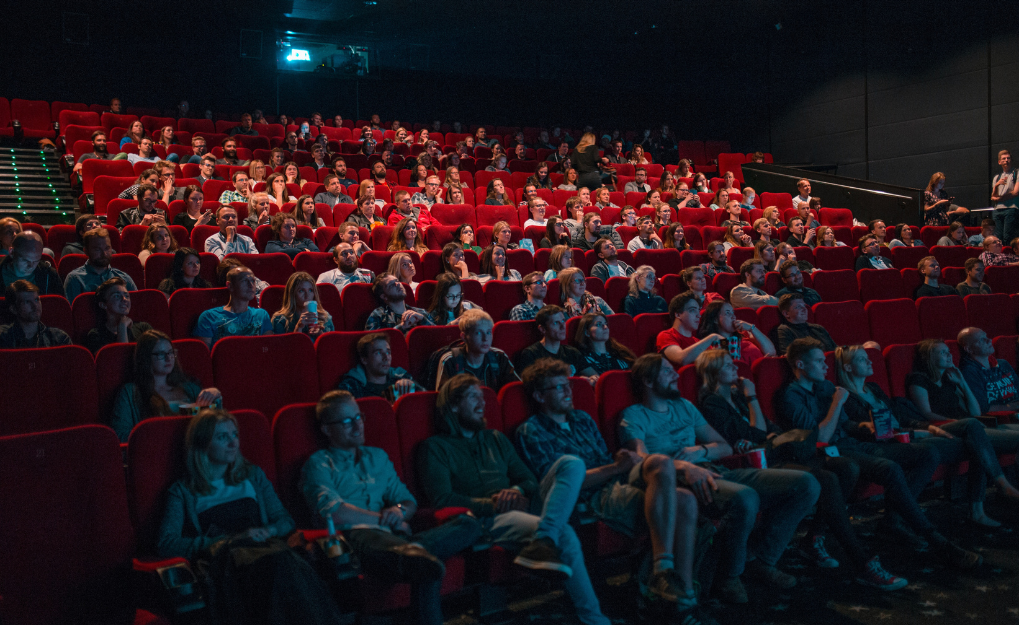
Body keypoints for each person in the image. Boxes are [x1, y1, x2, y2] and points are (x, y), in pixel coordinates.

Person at [515, 360, 714, 620]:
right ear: (540, 396)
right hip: (591, 496)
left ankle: (673, 584)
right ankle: (680, 601)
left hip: (615, 479)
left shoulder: (582, 419)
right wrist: (616, 468)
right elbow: (559, 485)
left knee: (662, 464)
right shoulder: (531, 431)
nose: (568, 392)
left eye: (568, 385)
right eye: (559, 387)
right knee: (684, 502)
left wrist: (620, 463)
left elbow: (605, 460)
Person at [695, 349, 908, 590]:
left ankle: (814, 538)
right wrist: (753, 399)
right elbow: (755, 434)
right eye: (727, 365)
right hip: (764, 462)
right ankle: (862, 561)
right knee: (826, 480)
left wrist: (763, 426)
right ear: (712, 373)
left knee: (846, 468)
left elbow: (768, 428)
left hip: (781, 452)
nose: (735, 367)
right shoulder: (713, 402)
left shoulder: (739, 395)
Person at [617, 354, 820, 602]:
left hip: (714, 468)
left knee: (806, 484)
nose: (676, 375)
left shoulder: (685, 406)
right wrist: (684, 467)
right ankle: (730, 577)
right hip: (680, 481)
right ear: (648, 381)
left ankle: (761, 558)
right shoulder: (634, 415)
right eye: (668, 371)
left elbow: (724, 447)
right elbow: (642, 461)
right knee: (745, 498)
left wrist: (699, 450)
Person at [417, 375, 612, 625]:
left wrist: (517, 490)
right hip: (488, 519)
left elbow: (530, 480)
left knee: (572, 464)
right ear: (453, 405)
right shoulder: (435, 447)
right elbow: (443, 499)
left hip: (524, 505)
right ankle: (593, 619)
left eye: (483, 397)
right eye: (473, 397)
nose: (482, 403)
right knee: (564, 534)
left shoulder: (495, 438)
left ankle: (544, 538)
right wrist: (494, 503)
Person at [776, 338, 982, 569]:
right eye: (818, 361)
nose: (826, 366)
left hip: (852, 443)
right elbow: (821, 437)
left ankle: (893, 521)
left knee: (926, 453)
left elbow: (845, 426)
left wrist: (865, 427)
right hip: (828, 453)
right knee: (890, 469)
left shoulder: (824, 387)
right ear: (800, 365)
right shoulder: (791, 396)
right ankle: (937, 541)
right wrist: (836, 403)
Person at [301, 391, 481, 625]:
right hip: (356, 540)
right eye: (346, 421)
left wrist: (398, 512)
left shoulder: (378, 457)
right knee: (421, 562)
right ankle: (417, 554)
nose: (357, 426)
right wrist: (382, 519)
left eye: (359, 417)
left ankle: (416, 552)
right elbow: (332, 512)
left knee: (469, 523)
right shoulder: (319, 464)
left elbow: (407, 501)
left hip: (395, 537)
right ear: (327, 429)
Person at [158, 409, 346, 625]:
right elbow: (167, 543)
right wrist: (225, 540)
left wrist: (269, 530)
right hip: (228, 561)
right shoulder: (182, 491)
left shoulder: (252, 476)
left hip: (268, 549)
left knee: (283, 564)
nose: (233, 443)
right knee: (281, 567)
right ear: (202, 444)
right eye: (222, 437)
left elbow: (284, 521)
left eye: (234, 434)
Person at [839, 343, 1019, 528]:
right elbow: (874, 432)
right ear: (847, 367)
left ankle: (990, 497)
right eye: (862, 359)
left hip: (919, 431)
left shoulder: (874, 389)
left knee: (974, 431)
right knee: (977, 440)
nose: (869, 361)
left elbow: (902, 418)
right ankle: (985, 502)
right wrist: (918, 431)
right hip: (901, 440)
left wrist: (930, 428)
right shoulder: (846, 398)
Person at [109, 330, 222, 441]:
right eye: (161, 354)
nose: (168, 358)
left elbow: (215, 426)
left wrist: (215, 397)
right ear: (146, 358)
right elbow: (120, 435)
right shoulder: (130, 392)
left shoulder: (190, 388)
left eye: (170, 352)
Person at [435, 309, 519, 391]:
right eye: (478, 333)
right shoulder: (450, 361)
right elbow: (443, 400)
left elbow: (515, 390)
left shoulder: (499, 357)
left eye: (488, 332)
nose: (485, 338)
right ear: (464, 337)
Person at [194, 266, 273, 347]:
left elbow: (269, 351)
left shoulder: (262, 315)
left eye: (253, 281)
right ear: (230, 285)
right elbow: (204, 356)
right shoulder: (209, 317)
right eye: (245, 281)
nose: (251, 285)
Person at [774, 293, 879, 354]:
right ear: (786, 313)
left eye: (804, 305)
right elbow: (788, 356)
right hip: (814, 369)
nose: (804, 309)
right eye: (798, 307)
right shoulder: (784, 330)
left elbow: (835, 349)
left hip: (835, 363)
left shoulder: (817, 328)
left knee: (872, 346)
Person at [337, 333, 420, 401]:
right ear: (364, 360)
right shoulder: (352, 387)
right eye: (378, 353)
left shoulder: (402, 378)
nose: (386, 358)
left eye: (388, 352)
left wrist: (412, 387)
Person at [64, 228, 138, 303]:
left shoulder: (124, 278)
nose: (104, 254)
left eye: (107, 248)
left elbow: (136, 308)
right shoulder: (75, 278)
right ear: (86, 251)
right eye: (97, 250)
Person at [514, 305, 590, 377]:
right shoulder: (531, 354)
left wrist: (591, 379)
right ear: (542, 329)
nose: (562, 326)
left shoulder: (572, 352)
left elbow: (594, 376)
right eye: (556, 323)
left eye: (563, 321)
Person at [84, 277, 152, 353]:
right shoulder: (96, 335)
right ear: (103, 305)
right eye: (117, 296)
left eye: (127, 296)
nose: (124, 299)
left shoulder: (143, 328)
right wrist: (122, 327)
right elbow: (120, 360)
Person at [698, 300, 775, 366]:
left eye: (733, 313)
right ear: (715, 319)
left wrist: (752, 328)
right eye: (728, 313)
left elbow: (771, 352)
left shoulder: (745, 335)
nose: (733, 317)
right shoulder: (711, 345)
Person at [0, 280, 71, 348]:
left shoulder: (59, 339)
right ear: (14, 309)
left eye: (37, 300)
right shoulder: (3, 337)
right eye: (27, 302)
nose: (35, 306)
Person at [0, 231, 63, 296]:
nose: (31, 266)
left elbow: (59, 303)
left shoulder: (49, 274)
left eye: (36, 261)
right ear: (11, 252)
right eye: (25, 260)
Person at [270, 272, 334, 336]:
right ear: (292, 294)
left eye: (310, 290)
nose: (307, 295)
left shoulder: (324, 317)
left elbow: (332, 344)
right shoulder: (280, 319)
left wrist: (320, 335)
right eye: (301, 291)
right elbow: (282, 345)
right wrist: (298, 328)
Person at [365, 272, 432, 332]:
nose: (398, 284)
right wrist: (402, 327)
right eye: (391, 285)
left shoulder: (421, 313)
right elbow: (373, 342)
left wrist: (423, 319)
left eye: (397, 281)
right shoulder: (378, 315)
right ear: (384, 296)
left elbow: (439, 336)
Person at [991, 149, 1019, 244]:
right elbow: (992, 197)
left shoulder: (1016, 173)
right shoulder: (997, 177)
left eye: (1008, 158)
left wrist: (999, 198)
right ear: (999, 162)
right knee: (998, 238)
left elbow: (1015, 192)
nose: (1006, 160)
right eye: (1003, 159)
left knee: (1008, 237)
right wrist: (996, 186)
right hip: (997, 210)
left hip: (1011, 209)